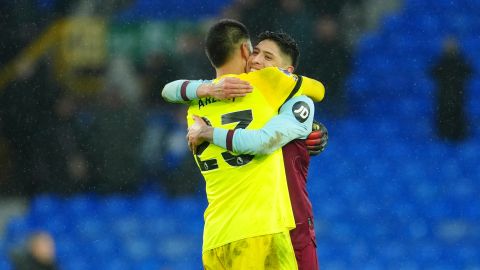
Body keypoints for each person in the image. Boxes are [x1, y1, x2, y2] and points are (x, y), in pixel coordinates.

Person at [162, 20, 324, 269]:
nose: (257, 60)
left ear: (286, 71)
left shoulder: (196, 106)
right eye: (256, 52)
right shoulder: (254, 91)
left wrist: (207, 117)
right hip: (265, 228)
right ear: (245, 52)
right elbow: (317, 92)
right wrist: (210, 90)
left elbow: (169, 90)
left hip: (277, 226)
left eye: (268, 57)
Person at [430, 36, 473, 141]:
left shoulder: (461, 62)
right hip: (443, 103)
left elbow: (469, 73)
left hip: (458, 102)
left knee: (458, 123)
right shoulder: (440, 63)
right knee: (444, 124)